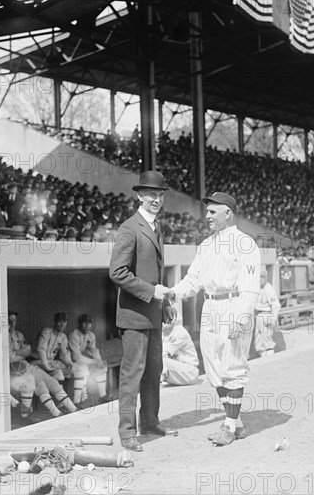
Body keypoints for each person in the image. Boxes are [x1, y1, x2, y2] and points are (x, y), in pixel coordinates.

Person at [166, 192, 261, 447]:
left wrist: (241, 318)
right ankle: (238, 423)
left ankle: (229, 426)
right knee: (214, 371)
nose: (207, 216)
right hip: (210, 307)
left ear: (227, 213)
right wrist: (173, 292)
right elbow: (192, 280)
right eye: (207, 211)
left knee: (233, 367)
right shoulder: (206, 245)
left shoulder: (245, 244)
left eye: (212, 211)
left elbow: (251, 288)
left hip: (233, 304)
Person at [109, 170, 178, 452]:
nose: (156, 200)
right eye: (151, 195)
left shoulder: (155, 227)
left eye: (160, 195)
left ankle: (149, 422)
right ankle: (127, 432)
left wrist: (165, 302)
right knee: (131, 375)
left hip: (152, 313)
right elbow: (117, 272)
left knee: (154, 370)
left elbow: (155, 273)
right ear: (139, 195)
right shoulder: (129, 228)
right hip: (133, 316)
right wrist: (152, 293)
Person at [7, 311, 77, 417]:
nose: (12, 324)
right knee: (34, 383)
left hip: (25, 365)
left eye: (14, 321)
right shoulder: (0, 337)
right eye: (9, 321)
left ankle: (70, 411)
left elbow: (28, 351)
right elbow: (8, 357)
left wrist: (16, 353)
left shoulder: (18, 335)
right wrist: (19, 353)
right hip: (11, 370)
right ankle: (25, 417)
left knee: (50, 382)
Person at [68, 314, 109, 406]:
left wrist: (100, 361)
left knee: (101, 368)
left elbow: (93, 351)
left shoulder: (90, 335)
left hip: (80, 362)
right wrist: (95, 362)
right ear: (79, 323)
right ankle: (77, 402)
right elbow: (76, 357)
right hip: (68, 362)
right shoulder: (73, 334)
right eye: (84, 323)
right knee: (82, 369)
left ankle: (102, 396)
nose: (87, 325)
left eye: (89, 323)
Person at [160, 312, 200, 386]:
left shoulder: (179, 332)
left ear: (174, 320)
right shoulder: (163, 332)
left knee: (158, 359)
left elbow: (162, 353)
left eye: (166, 319)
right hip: (177, 370)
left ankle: (156, 383)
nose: (163, 322)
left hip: (189, 371)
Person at [254, 268, 281, 357]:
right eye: (259, 277)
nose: (260, 279)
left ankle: (270, 359)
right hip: (258, 315)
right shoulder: (258, 288)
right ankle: (263, 359)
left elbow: (276, 305)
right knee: (258, 341)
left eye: (262, 277)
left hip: (266, 314)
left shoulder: (268, 288)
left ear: (266, 277)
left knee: (267, 340)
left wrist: (273, 318)